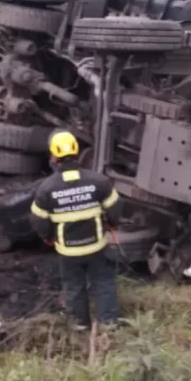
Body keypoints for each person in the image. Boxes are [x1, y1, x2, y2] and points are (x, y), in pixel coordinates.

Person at [30, 130, 122, 330]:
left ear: (54, 156)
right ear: (77, 151)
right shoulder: (99, 181)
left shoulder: (46, 188)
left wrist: (48, 237)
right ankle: (109, 324)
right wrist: (113, 224)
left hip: (68, 251)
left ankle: (79, 325)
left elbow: (38, 220)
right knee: (104, 282)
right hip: (96, 247)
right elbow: (115, 209)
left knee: (73, 286)